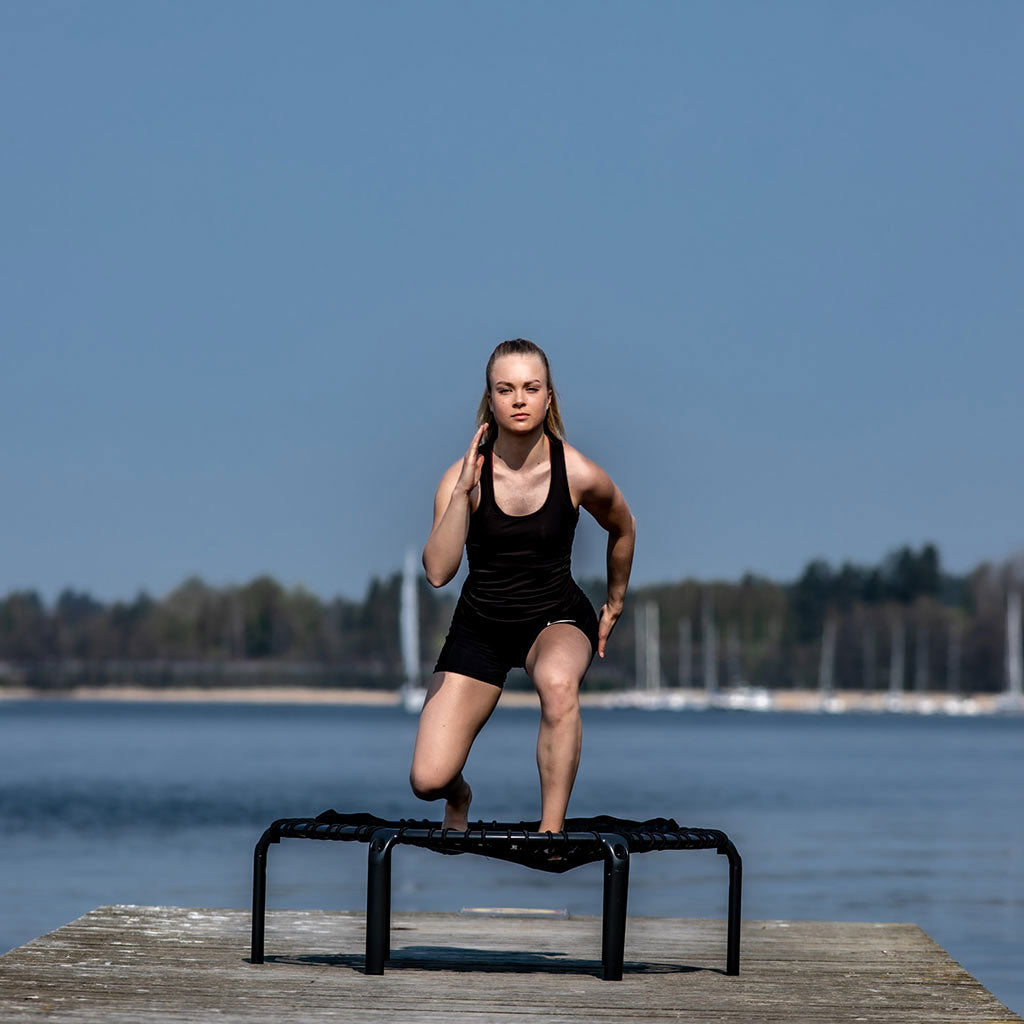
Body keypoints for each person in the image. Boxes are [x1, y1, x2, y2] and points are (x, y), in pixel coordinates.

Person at [409, 339, 636, 833]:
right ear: (489, 399)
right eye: (505, 389)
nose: (518, 399)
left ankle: (550, 832)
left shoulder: (576, 471)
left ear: (548, 398)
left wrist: (615, 600)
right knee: (427, 779)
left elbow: (623, 526)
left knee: (558, 685)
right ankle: (461, 794)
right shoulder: (460, 477)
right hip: (481, 626)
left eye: (531, 388)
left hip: (553, 617)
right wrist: (465, 492)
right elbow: (438, 572)